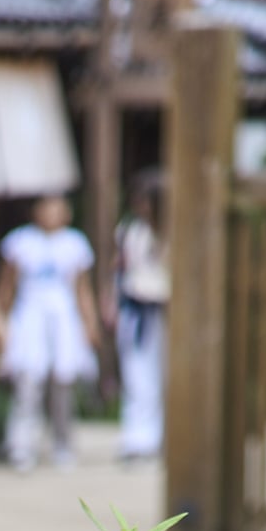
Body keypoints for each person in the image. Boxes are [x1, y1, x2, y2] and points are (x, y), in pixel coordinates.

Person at [0, 193, 102, 471]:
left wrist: (90, 324)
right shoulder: (20, 242)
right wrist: (0, 323)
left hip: (63, 318)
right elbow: (5, 287)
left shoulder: (75, 243)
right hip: (29, 316)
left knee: (63, 384)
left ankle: (63, 444)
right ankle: (21, 445)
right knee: (28, 382)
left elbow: (82, 289)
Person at [115, 173, 170, 462]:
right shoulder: (128, 231)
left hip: (167, 312)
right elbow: (119, 271)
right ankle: (138, 439)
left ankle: (166, 438)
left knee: (167, 376)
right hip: (136, 310)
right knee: (138, 377)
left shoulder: (174, 232)